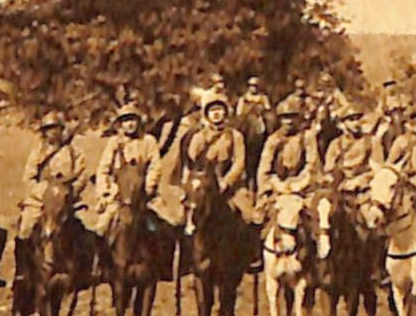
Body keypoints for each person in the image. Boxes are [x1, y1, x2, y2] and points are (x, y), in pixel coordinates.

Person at [85, 103, 168, 233]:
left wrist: (149, 186)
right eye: (125, 121)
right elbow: (103, 169)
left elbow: (155, 166)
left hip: (143, 194)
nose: (129, 124)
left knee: (163, 227)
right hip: (118, 195)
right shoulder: (115, 142)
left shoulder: (148, 141)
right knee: (102, 228)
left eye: (132, 120)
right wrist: (105, 191)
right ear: (120, 124)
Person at [15, 110, 91, 244]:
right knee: (26, 227)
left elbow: (83, 175)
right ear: (44, 132)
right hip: (41, 201)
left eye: (56, 128)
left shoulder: (74, 152)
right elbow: (28, 178)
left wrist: (71, 191)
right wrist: (43, 192)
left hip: (68, 200)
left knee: (87, 231)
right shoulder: (38, 152)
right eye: (49, 129)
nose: (53, 132)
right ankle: (22, 262)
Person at [184, 88, 252, 219]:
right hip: (204, 180)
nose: (216, 114)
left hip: (229, 183)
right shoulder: (199, 135)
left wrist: (227, 181)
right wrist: (204, 139)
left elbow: (239, 162)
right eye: (212, 110)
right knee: (186, 209)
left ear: (225, 113)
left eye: (219, 110)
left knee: (248, 214)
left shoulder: (235, 135)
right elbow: (192, 158)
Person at [254, 94, 321, 224]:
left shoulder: (307, 137)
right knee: (261, 221)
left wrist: (299, 184)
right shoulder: (273, 140)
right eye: (285, 118)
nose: (289, 122)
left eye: (292, 117)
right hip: (277, 187)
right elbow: (264, 169)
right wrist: (276, 185)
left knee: (319, 217)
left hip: (302, 187)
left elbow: (312, 164)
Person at [322, 98, 380, 198]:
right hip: (340, 189)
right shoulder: (336, 144)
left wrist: (360, 180)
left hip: (364, 189)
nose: (356, 123)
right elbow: (328, 169)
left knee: (369, 211)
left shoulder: (371, 141)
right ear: (343, 123)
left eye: (358, 119)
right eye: (351, 120)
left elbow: (377, 169)